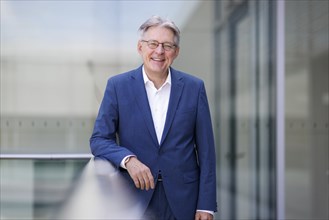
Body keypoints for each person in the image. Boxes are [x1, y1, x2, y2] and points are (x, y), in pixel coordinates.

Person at [90, 15, 217, 220]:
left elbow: (206, 152)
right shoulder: (118, 86)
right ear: (140, 47)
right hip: (134, 197)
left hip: (184, 200)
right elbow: (98, 140)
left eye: (167, 45)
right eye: (153, 44)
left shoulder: (194, 88)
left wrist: (206, 205)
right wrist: (128, 160)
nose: (159, 51)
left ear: (175, 52)